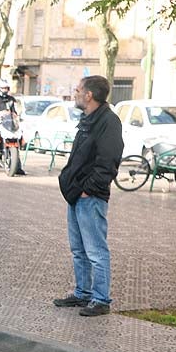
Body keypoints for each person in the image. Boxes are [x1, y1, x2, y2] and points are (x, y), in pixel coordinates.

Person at [54, 76, 122, 317]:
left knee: (96, 250)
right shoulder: (88, 119)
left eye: (78, 89)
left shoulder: (108, 122)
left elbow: (109, 161)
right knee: (78, 249)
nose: (75, 93)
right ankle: (82, 293)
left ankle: (101, 299)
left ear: (89, 95)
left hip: (90, 197)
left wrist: (88, 189)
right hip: (76, 194)